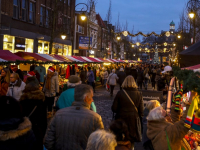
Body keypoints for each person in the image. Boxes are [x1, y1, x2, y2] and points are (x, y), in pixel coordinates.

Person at [44, 84, 104, 150]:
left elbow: (48, 141)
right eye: (92, 97)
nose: (92, 100)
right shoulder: (95, 118)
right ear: (86, 98)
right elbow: (100, 144)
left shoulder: (59, 114)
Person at [112, 75, 144, 144]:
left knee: (121, 137)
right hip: (133, 118)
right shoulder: (139, 93)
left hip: (121, 118)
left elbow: (114, 108)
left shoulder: (120, 93)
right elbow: (141, 109)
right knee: (132, 138)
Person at [20, 79, 47, 150]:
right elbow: (44, 120)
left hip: (24, 130)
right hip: (37, 130)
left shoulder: (22, 102)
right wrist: (42, 133)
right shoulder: (41, 102)